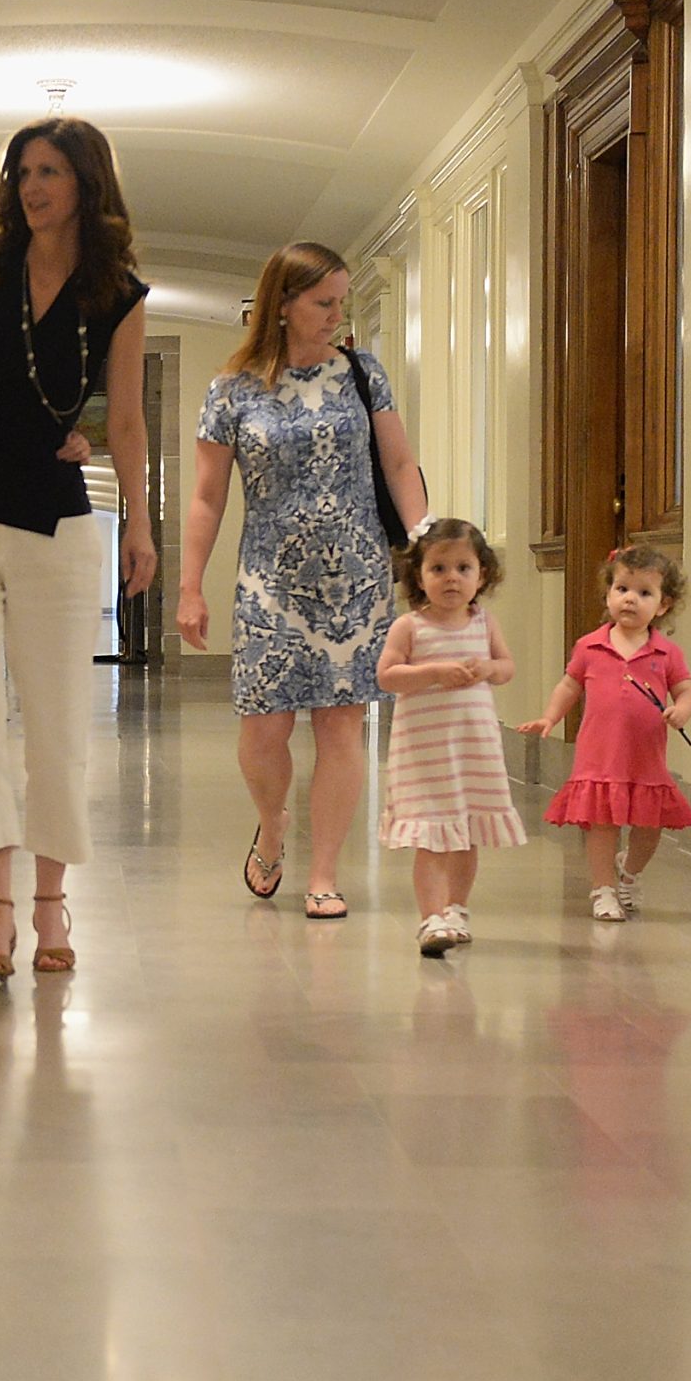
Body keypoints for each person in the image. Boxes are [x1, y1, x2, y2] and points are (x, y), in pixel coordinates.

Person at [0, 116, 155, 978]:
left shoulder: (119, 294)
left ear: (86, 184)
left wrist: (139, 521)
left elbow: (124, 416)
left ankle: (51, 905)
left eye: (51, 170)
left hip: (56, 524)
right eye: (23, 170)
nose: (32, 185)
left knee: (58, 721)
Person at [180, 241, 428, 920]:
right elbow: (207, 497)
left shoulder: (363, 374)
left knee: (341, 727)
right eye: (324, 303)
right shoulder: (231, 390)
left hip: (356, 576)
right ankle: (272, 823)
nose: (336, 315)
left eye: (341, 302)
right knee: (263, 728)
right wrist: (190, 586)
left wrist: (428, 544)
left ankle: (324, 871)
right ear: (281, 305)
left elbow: (401, 467)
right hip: (268, 581)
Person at [518, 545, 691, 921]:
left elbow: (685, 689)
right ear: (608, 593)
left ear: (663, 606)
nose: (630, 599)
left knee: (648, 827)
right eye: (622, 589)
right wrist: (550, 718)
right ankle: (603, 889)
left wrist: (681, 710)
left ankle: (629, 872)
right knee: (602, 825)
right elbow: (569, 686)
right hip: (599, 755)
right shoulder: (590, 646)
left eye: (644, 593)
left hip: (645, 757)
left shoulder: (666, 653)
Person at [375, 518, 525, 957]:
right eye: (439, 568)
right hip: (425, 753)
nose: (452, 578)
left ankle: (457, 908)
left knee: (466, 832)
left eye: (463, 568)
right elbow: (387, 675)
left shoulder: (483, 623)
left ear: (483, 575)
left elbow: (507, 667)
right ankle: (431, 916)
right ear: (419, 576)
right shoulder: (410, 627)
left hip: (472, 750)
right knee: (433, 836)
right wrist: (432, 673)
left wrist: (490, 669)